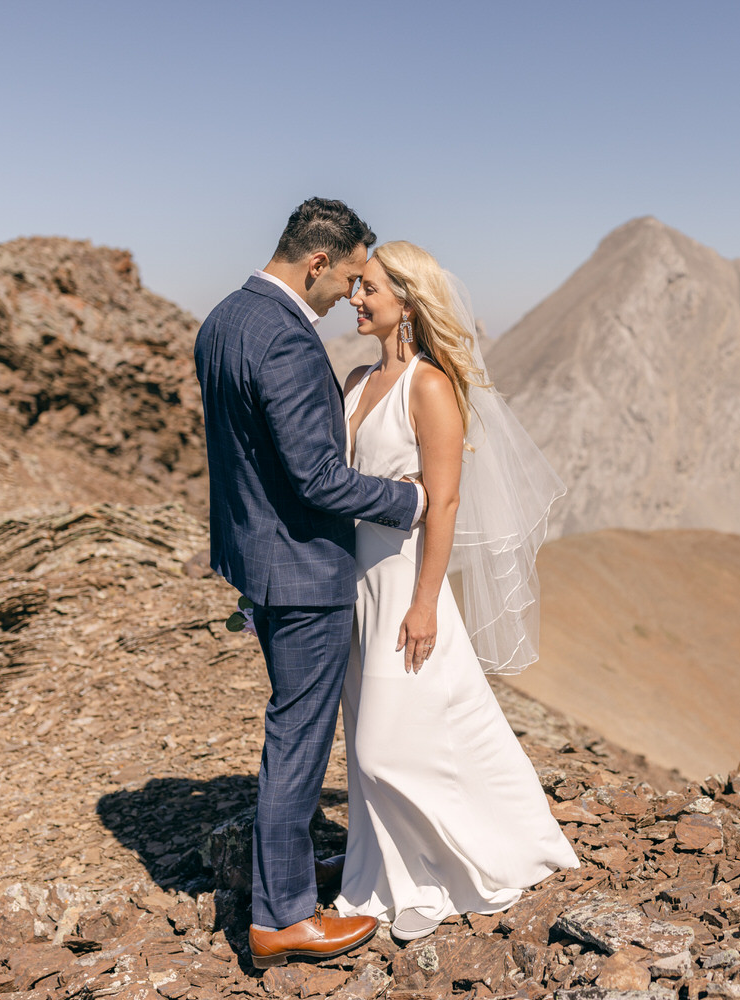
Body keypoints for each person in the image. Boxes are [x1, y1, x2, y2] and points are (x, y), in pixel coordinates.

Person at [193, 199, 426, 967]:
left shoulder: (224, 319)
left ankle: (288, 877)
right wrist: (410, 499)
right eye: (350, 277)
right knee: (296, 741)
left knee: (291, 733)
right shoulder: (288, 342)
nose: (349, 298)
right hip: (303, 575)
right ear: (318, 263)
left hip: (256, 561)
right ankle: (283, 919)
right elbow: (318, 479)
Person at [335, 241, 577, 941]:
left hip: (408, 584)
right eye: (355, 287)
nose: (356, 299)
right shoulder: (354, 381)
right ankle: (389, 873)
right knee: (378, 741)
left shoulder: (429, 387)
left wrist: (423, 602)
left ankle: (460, 867)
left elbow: (443, 504)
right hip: (357, 585)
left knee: (386, 747)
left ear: (406, 302)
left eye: (370, 289)